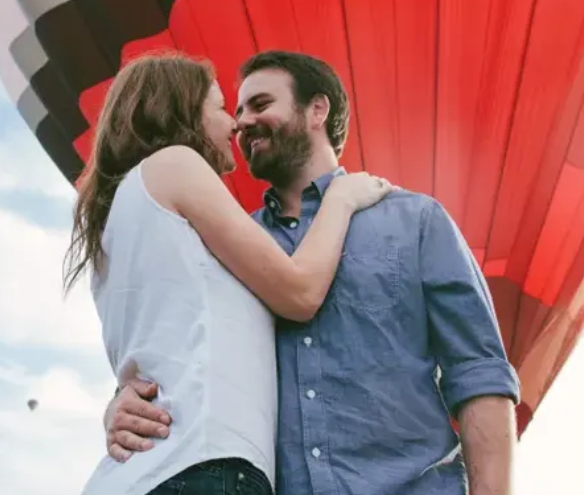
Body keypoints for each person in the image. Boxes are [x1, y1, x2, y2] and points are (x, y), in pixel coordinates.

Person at [103, 51, 522, 495]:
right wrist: (120, 403)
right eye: (235, 109)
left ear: (317, 110)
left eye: (260, 104)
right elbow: (179, 337)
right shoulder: (223, 241)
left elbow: (478, 373)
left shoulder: (415, 221)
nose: (242, 121)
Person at [65, 53, 395, 495]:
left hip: (144, 473)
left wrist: (115, 404)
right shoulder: (176, 164)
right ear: (181, 111)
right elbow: (299, 291)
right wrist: (340, 198)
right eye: (222, 107)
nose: (235, 124)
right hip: (202, 468)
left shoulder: (116, 216)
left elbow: (163, 347)